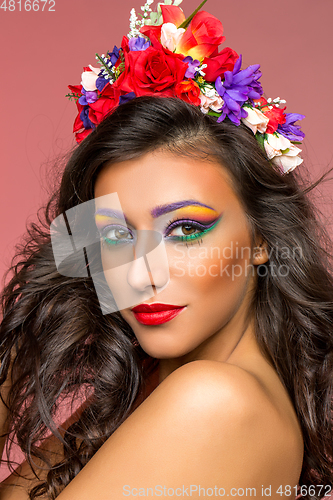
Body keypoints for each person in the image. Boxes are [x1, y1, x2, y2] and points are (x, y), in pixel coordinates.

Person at [1, 1, 333, 499]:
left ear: (262, 239)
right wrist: (35, 309)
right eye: (115, 235)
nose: (140, 273)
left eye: (183, 229)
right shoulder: (153, 382)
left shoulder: (215, 401)